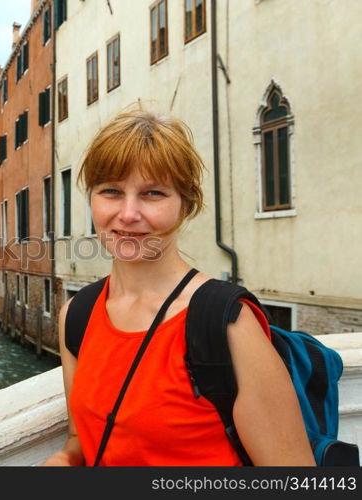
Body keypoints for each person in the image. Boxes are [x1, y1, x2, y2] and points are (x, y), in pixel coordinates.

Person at [43, 110, 314, 466]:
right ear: (92, 199)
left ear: (185, 204)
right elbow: (81, 438)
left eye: (152, 193)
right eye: (111, 191)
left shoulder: (229, 324)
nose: (127, 213)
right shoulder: (76, 315)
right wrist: (64, 459)